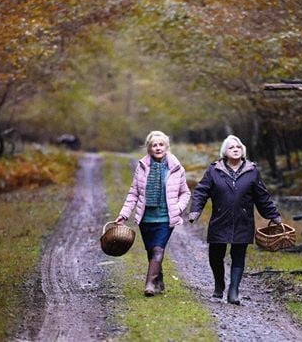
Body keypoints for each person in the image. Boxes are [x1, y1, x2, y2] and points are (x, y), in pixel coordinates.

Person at [188, 135, 282, 305]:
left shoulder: (252, 171)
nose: (236, 149)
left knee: (239, 255)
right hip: (220, 219)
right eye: (231, 147)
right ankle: (219, 285)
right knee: (215, 255)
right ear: (225, 152)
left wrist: (274, 215)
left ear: (243, 150)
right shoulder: (214, 170)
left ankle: (234, 291)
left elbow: (262, 196)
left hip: (243, 220)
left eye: (238, 146)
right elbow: (201, 191)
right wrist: (195, 210)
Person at [115, 131, 191, 296]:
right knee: (151, 251)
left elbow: (185, 193)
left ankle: (149, 284)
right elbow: (133, 193)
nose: (158, 148)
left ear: (166, 147)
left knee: (158, 250)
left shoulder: (176, 168)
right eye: (154, 145)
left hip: (166, 218)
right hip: (146, 218)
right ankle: (159, 281)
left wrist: (178, 208)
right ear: (149, 148)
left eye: (161, 145)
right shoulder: (142, 167)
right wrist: (124, 214)